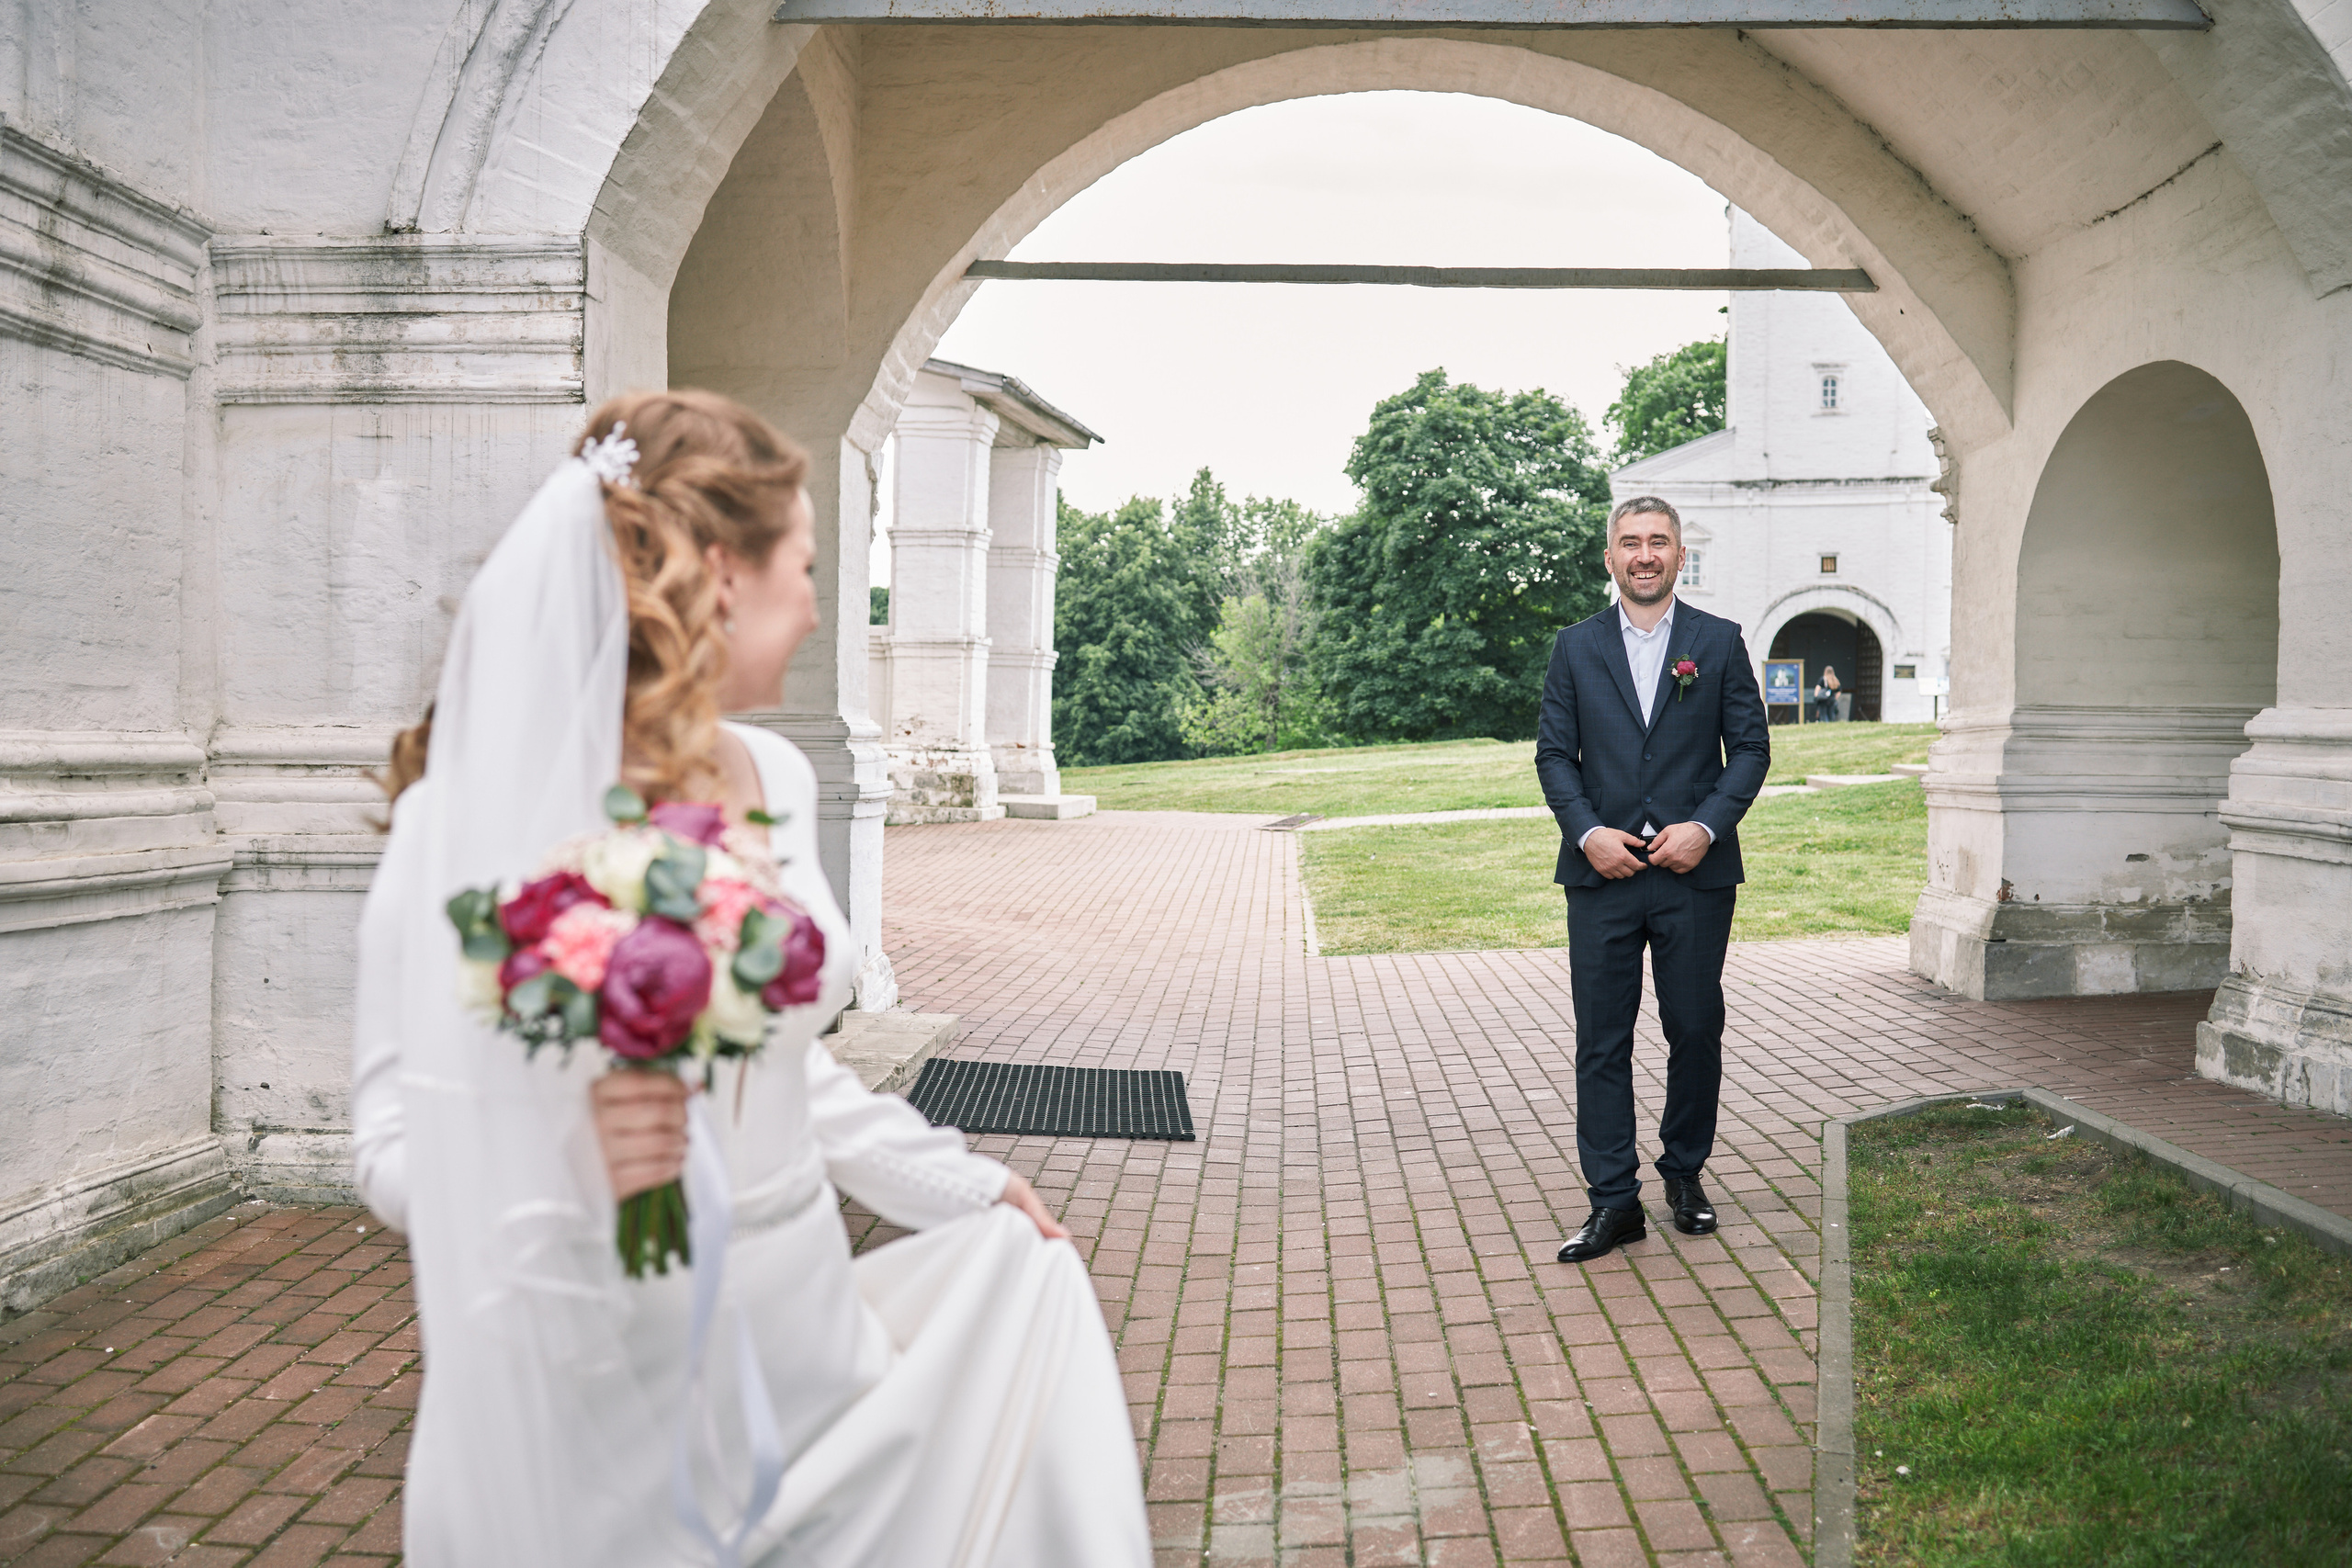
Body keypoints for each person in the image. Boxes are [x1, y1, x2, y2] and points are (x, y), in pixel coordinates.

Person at [351, 390, 1150, 1568]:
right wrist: (564, 1172)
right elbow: (383, 1138)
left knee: (1019, 1322)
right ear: (724, 575)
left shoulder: (774, 778)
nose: (823, 603)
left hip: (799, 1318)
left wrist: (959, 1185)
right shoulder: (456, 824)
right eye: (810, 566)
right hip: (597, 1347)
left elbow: (792, 1073)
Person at [1533, 497, 1770, 1264]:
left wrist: (1704, 828)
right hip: (1600, 875)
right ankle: (1613, 1201)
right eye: (1630, 542)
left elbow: (1752, 752)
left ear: (1678, 554)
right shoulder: (1574, 648)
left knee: (1695, 1027)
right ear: (1610, 557)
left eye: (1658, 542)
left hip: (1693, 877)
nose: (1644, 554)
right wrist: (1588, 832)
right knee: (1601, 1040)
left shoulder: (1719, 642)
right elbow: (1552, 757)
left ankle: (1684, 1173)